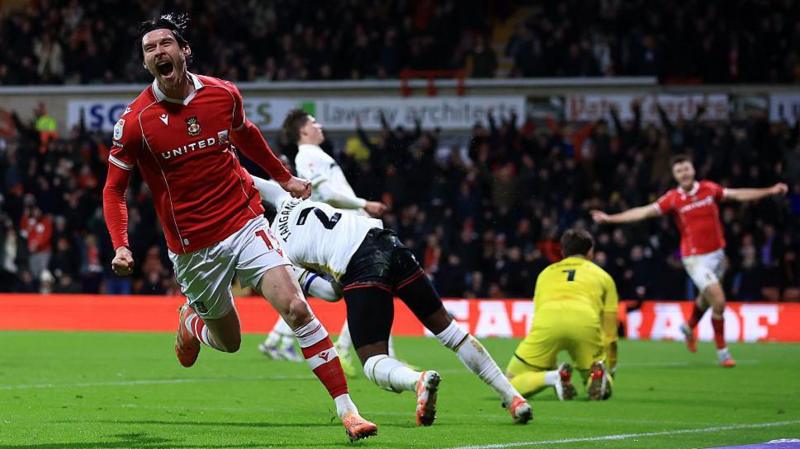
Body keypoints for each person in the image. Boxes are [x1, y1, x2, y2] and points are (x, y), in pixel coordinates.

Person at [101, 15, 376, 441]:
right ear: (145, 63)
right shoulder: (137, 122)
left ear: (184, 50)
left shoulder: (223, 93)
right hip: (193, 248)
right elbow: (113, 189)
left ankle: (349, 412)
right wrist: (121, 245)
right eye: (149, 49)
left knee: (298, 308)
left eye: (165, 44)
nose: (158, 52)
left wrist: (283, 177)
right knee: (230, 342)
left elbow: (245, 135)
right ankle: (191, 323)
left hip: (244, 221)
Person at [255, 178, 533, 426]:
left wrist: (325, 272)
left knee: (373, 362)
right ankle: (514, 399)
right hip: (388, 243)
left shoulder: (278, 248)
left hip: (360, 268)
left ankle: (418, 381)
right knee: (451, 332)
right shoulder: (286, 197)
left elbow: (330, 294)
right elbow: (248, 176)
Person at [591, 154, 788, 367]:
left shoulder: (709, 189)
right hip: (695, 258)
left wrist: (770, 191)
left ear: (693, 170)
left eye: (686, 169)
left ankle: (688, 326)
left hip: (718, 255)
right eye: (679, 171)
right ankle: (723, 352)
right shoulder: (673, 198)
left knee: (707, 297)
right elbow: (644, 212)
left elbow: (738, 194)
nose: (684, 173)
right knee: (719, 300)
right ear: (675, 176)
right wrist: (612, 218)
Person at [259, 110, 388, 376]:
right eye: (313, 123)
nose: (320, 126)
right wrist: (364, 205)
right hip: (341, 235)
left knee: (360, 289)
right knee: (363, 288)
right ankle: (342, 348)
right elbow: (325, 194)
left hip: (343, 230)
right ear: (303, 131)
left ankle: (277, 339)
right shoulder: (308, 156)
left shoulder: (315, 155)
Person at [505, 229, 618, 401]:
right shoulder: (603, 276)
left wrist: (549, 364)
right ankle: (599, 379)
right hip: (584, 321)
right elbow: (610, 331)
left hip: (548, 321)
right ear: (590, 252)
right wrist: (611, 365)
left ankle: (553, 377)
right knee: (594, 373)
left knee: (511, 381)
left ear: (563, 251)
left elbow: (538, 313)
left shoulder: (545, 273)